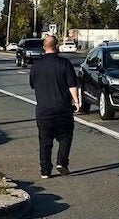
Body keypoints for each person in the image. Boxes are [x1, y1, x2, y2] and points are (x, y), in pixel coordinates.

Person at [28, 34, 81, 178]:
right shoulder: (64, 64)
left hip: (43, 110)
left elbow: (32, 84)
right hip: (63, 109)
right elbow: (72, 85)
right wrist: (76, 101)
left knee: (45, 141)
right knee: (65, 136)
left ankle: (45, 170)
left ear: (44, 48)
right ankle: (61, 162)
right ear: (56, 47)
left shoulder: (36, 66)